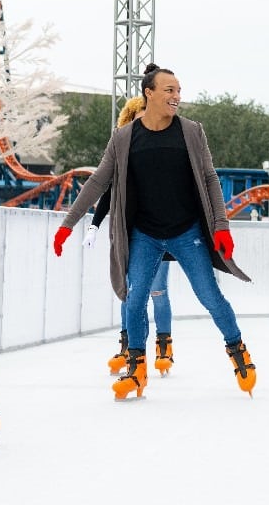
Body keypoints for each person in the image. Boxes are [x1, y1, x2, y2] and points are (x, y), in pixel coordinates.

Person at [52, 63, 257, 400]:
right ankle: (137, 369)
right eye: (170, 90)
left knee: (210, 297)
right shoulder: (124, 138)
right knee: (134, 302)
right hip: (145, 233)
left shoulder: (191, 131)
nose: (177, 96)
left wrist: (221, 226)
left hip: (186, 230)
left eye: (178, 90)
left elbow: (209, 178)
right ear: (149, 93)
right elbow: (98, 182)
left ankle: (238, 351)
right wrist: (67, 225)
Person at [87, 96, 177, 378]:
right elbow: (108, 190)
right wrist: (95, 225)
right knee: (129, 293)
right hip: (131, 235)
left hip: (160, 233)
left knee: (157, 291)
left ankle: (164, 346)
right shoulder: (124, 152)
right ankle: (128, 347)